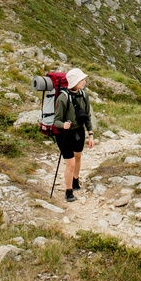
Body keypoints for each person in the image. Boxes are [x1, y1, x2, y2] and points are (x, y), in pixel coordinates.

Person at [53, 68, 95, 202]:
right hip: (64, 134)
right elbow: (56, 120)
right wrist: (63, 125)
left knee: (78, 156)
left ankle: (75, 180)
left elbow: (87, 115)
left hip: (79, 131)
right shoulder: (62, 98)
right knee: (70, 163)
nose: (84, 82)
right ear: (74, 82)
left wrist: (90, 134)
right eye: (81, 80)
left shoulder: (84, 95)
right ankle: (68, 191)